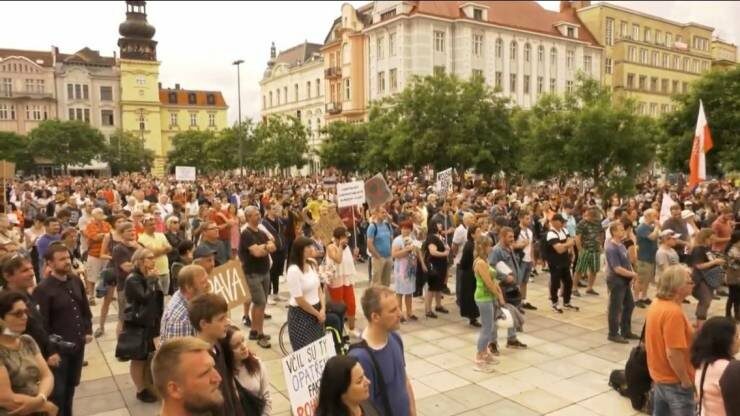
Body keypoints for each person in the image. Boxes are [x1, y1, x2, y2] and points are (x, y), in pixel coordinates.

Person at [32, 243, 93, 416]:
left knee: (71, 387)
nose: (67, 262)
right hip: (58, 351)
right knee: (58, 393)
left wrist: (87, 329)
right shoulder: (43, 290)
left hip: (77, 345)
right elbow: (42, 325)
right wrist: (51, 351)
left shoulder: (74, 279)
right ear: (49, 264)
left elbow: (84, 307)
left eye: (68, 257)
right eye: (61, 259)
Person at [348, 286, 416, 416]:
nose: (400, 314)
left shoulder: (395, 338)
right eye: (393, 311)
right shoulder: (361, 358)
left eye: (398, 308)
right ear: (375, 317)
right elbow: (364, 407)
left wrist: (412, 411)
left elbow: (404, 380)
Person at [645, 265, 696, 416]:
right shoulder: (673, 312)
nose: (693, 283)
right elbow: (673, 353)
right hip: (675, 381)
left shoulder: (657, 303)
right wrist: (685, 380)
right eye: (689, 281)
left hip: (659, 377)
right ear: (677, 287)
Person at [115, 248, 164, 403]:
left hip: (151, 322)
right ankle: (140, 389)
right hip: (139, 323)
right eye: (149, 258)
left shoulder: (148, 276)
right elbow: (144, 297)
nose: (153, 260)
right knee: (138, 357)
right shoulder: (133, 279)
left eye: (153, 257)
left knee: (148, 355)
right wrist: (151, 280)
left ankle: (147, 384)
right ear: (140, 261)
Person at [0, 290, 58, 416]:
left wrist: (41, 398)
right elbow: (5, 398)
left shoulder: (27, 341)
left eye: (25, 312)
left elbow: (47, 376)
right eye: (17, 314)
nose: (25, 317)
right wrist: (46, 406)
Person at [188, 293, 243, 416]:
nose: (227, 322)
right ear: (203, 324)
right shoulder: (197, 359)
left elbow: (229, 386)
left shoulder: (218, 345)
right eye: (221, 319)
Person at [152, 337, 224, 416]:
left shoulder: (201, 409)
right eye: (205, 373)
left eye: (213, 367)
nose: (218, 378)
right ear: (174, 389)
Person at [238, 206, 275, 349]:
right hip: (252, 273)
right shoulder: (246, 233)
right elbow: (256, 253)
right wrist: (266, 247)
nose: (259, 216)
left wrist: (263, 247)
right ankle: (260, 333)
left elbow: (273, 245)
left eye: (259, 213)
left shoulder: (260, 231)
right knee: (259, 303)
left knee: (260, 303)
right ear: (248, 218)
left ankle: (254, 330)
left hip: (264, 271)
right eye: (255, 215)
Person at [689, 316, 737, 416]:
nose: (739, 341)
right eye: (736, 336)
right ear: (726, 341)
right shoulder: (728, 369)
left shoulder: (703, 362)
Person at [222, 325, 272, 416]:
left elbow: (267, 398)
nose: (243, 346)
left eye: (243, 340)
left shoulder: (257, 363)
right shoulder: (224, 374)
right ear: (227, 351)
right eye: (236, 345)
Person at [286, 236, 325, 351]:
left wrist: (322, 308)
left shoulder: (312, 264)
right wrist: (317, 314)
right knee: (305, 349)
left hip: (317, 310)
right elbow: (300, 300)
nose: (311, 248)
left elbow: (319, 288)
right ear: (300, 250)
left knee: (317, 348)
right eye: (307, 247)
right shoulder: (293, 270)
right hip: (301, 314)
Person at [604, 221, 638, 344]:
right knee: (615, 308)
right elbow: (617, 268)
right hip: (616, 280)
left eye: (623, 229)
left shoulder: (621, 245)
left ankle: (625, 330)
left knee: (629, 305)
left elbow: (627, 262)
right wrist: (633, 274)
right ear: (614, 232)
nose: (623, 231)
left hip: (624, 280)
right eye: (621, 230)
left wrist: (631, 274)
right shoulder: (611, 248)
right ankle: (613, 333)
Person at [315, 355, 380, 416]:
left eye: (364, 375)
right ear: (342, 391)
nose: (368, 382)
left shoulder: (368, 406)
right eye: (359, 381)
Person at [160, 264, 211, 342]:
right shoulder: (181, 318)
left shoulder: (189, 297)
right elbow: (181, 353)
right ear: (189, 288)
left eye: (207, 280)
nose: (208, 285)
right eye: (203, 282)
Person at [326, 226, 359, 334]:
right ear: (337, 238)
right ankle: (338, 331)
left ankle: (352, 328)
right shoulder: (331, 247)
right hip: (336, 280)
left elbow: (349, 263)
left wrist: (355, 255)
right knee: (338, 307)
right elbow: (338, 260)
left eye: (347, 238)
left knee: (351, 303)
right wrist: (340, 245)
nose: (347, 240)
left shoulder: (347, 247)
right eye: (344, 237)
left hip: (346, 278)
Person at [690, 228, 725, 329]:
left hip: (707, 278)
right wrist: (715, 262)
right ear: (705, 238)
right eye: (711, 239)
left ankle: (699, 322)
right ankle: (700, 324)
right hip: (700, 278)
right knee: (705, 300)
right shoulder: (698, 249)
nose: (713, 241)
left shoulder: (706, 248)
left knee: (706, 301)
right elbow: (698, 265)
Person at [545, 214, 577, 312]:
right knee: (555, 283)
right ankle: (554, 303)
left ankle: (567, 302)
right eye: (560, 221)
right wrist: (568, 244)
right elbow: (559, 249)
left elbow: (571, 240)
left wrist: (565, 245)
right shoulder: (551, 234)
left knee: (568, 282)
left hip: (565, 261)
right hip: (555, 262)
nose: (563, 223)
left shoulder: (564, 230)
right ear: (554, 221)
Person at [391, 222, 421, 324]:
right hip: (401, 270)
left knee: (409, 292)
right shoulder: (397, 240)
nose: (406, 230)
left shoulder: (412, 239)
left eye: (408, 228)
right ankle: (399, 314)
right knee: (400, 292)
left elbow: (417, 251)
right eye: (404, 228)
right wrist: (406, 250)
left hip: (410, 269)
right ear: (400, 229)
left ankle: (409, 312)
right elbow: (394, 254)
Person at [137, 214, 172, 295]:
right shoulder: (141, 238)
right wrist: (164, 249)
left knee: (164, 295)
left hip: (165, 270)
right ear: (144, 226)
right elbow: (151, 254)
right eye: (150, 225)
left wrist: (158, 251)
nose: (154, 226)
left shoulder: (161, 235)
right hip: (153, 272)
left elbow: (170, 248)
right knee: (155, 296)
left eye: (154, 224)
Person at [261, 203, 287, 305]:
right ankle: (268, 295)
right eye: (273, 209)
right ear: (268, 210)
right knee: (271, 273)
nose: (275, 211)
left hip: (280, 249)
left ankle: (276, 293)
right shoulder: (264, 222)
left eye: (276, 209)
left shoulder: (279, 220)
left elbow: (288, 221)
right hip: (272, 250)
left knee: (277, 273)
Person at [422, 220, 449, 318]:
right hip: (434, 265)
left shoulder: (440, 236)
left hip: (441, 265)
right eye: (439, 223)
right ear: (434, 226)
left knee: (439, 287)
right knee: (432, 288)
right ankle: (428, 310)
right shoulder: (432, 238)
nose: (441, 224)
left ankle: (438, 305)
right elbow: (432, 251)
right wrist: (444, 253)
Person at [635, 208, 660, 308]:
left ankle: (644, 296)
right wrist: (657, 227)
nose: (656, 218)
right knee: (640, 279)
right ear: (648, 216)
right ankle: (636, 298)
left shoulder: (650, 226)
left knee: (648, 279)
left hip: (651, 257)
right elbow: (652, 237)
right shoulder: (642, 227)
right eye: (654, 216)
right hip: (643, 258)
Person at [574, 207, 602, 296]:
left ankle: (590, 288)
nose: (595, 220)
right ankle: (574, 288)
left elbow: (600, 233)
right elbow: (577, 237)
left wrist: (600, 244)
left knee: (594, 270)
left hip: (595, 250)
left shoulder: (598, 223)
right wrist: (580, 250)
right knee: (580, 269)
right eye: (594, 218)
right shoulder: (582, 223)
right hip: (585, 249)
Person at [513, 211, 537, 310]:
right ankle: (516, 302)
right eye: (527, 218)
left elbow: (531, 245)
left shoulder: (530, 231)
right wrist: (521, 244)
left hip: (528, 259)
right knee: (518, 281)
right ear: (521, 218)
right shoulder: (517, 230)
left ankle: (523, 300)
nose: (529, 220)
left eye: (529, 218)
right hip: (520, 259)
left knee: (525, 281)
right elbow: (512, 245)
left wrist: (532, 258)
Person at [367, 207, 393, 287]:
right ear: (376, 214)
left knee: (386, 283)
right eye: (382, 212)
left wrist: (391, 254)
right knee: (376, 283)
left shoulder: (387, 225)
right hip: (378, 258)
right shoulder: (372, 226)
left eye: (385, 212)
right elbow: (369, 244)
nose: (385, 214)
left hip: (388, 257)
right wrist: (378, 256)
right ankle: (374, 299)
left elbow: (391, 240)